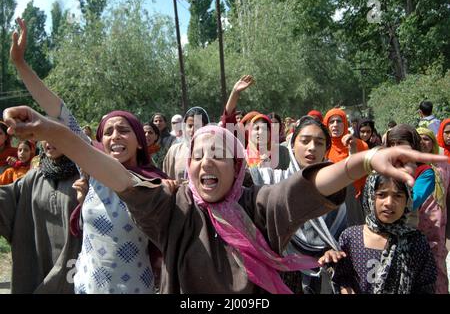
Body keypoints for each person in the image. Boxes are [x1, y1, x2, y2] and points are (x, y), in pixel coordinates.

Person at [4, 104, 447, 293]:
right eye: (199, 155)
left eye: (220, 155)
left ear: (239, 168)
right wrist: (50, 131)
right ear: (187, 165)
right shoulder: (171, 208)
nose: (207, 163)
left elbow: (307, 188)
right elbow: (112, 172)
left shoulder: (260, 206)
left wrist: (364, 161)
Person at [9, 17, 169, 294]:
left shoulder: (155, 184)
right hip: (85, 287)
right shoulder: (92, 170)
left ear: (141, 142)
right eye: (107, 132)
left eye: (124, 130)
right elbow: (59, 111)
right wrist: (20, 64)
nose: (115, 136)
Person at [249, 116, 347, 294]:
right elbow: (234, 177)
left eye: (319, 143)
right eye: (305, 141)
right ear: (292, 145)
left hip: (322, 279)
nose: (311, 148)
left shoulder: (335, 191)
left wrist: (331, 252)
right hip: (277, 276)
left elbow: (341, 239)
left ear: (326, 149)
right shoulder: (271, 181)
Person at [319, 174, 437, 294]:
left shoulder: (416, 241)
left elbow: (426, 285)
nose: (389, 203)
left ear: (408, 200)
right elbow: (342, 279)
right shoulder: (351, 237)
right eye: (381, 195)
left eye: (398, 196)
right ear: (370, 196)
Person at [0, 138, 82, 293]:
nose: (50, 140)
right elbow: (10, 199)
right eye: (45, 135)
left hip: (73, 264)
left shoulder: (86, 174)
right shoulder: (35, 176)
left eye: (55, 133)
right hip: (38, 261)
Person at [416, 127, 449, 294]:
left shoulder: (443, 163)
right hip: (418, 222)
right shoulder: (411, 164)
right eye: (419, 138)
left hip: (439, 223)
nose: (423, 142)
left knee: (439, 266)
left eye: (427, 138)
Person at [323, 108, 369, 226]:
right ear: (326, 125)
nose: (335, 125)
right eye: (331, 122)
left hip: (352, 199)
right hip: (329, 200)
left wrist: (352, 152)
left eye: (339, 121)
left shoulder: (360, 145)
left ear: (345, 123)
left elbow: (365, 174)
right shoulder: (323, 147)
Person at [163, 106, 210, 181]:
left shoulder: (212, 152)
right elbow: (167, 179)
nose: (193, 130)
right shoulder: (174, 151)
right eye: (190, 126)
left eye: (197, 126)